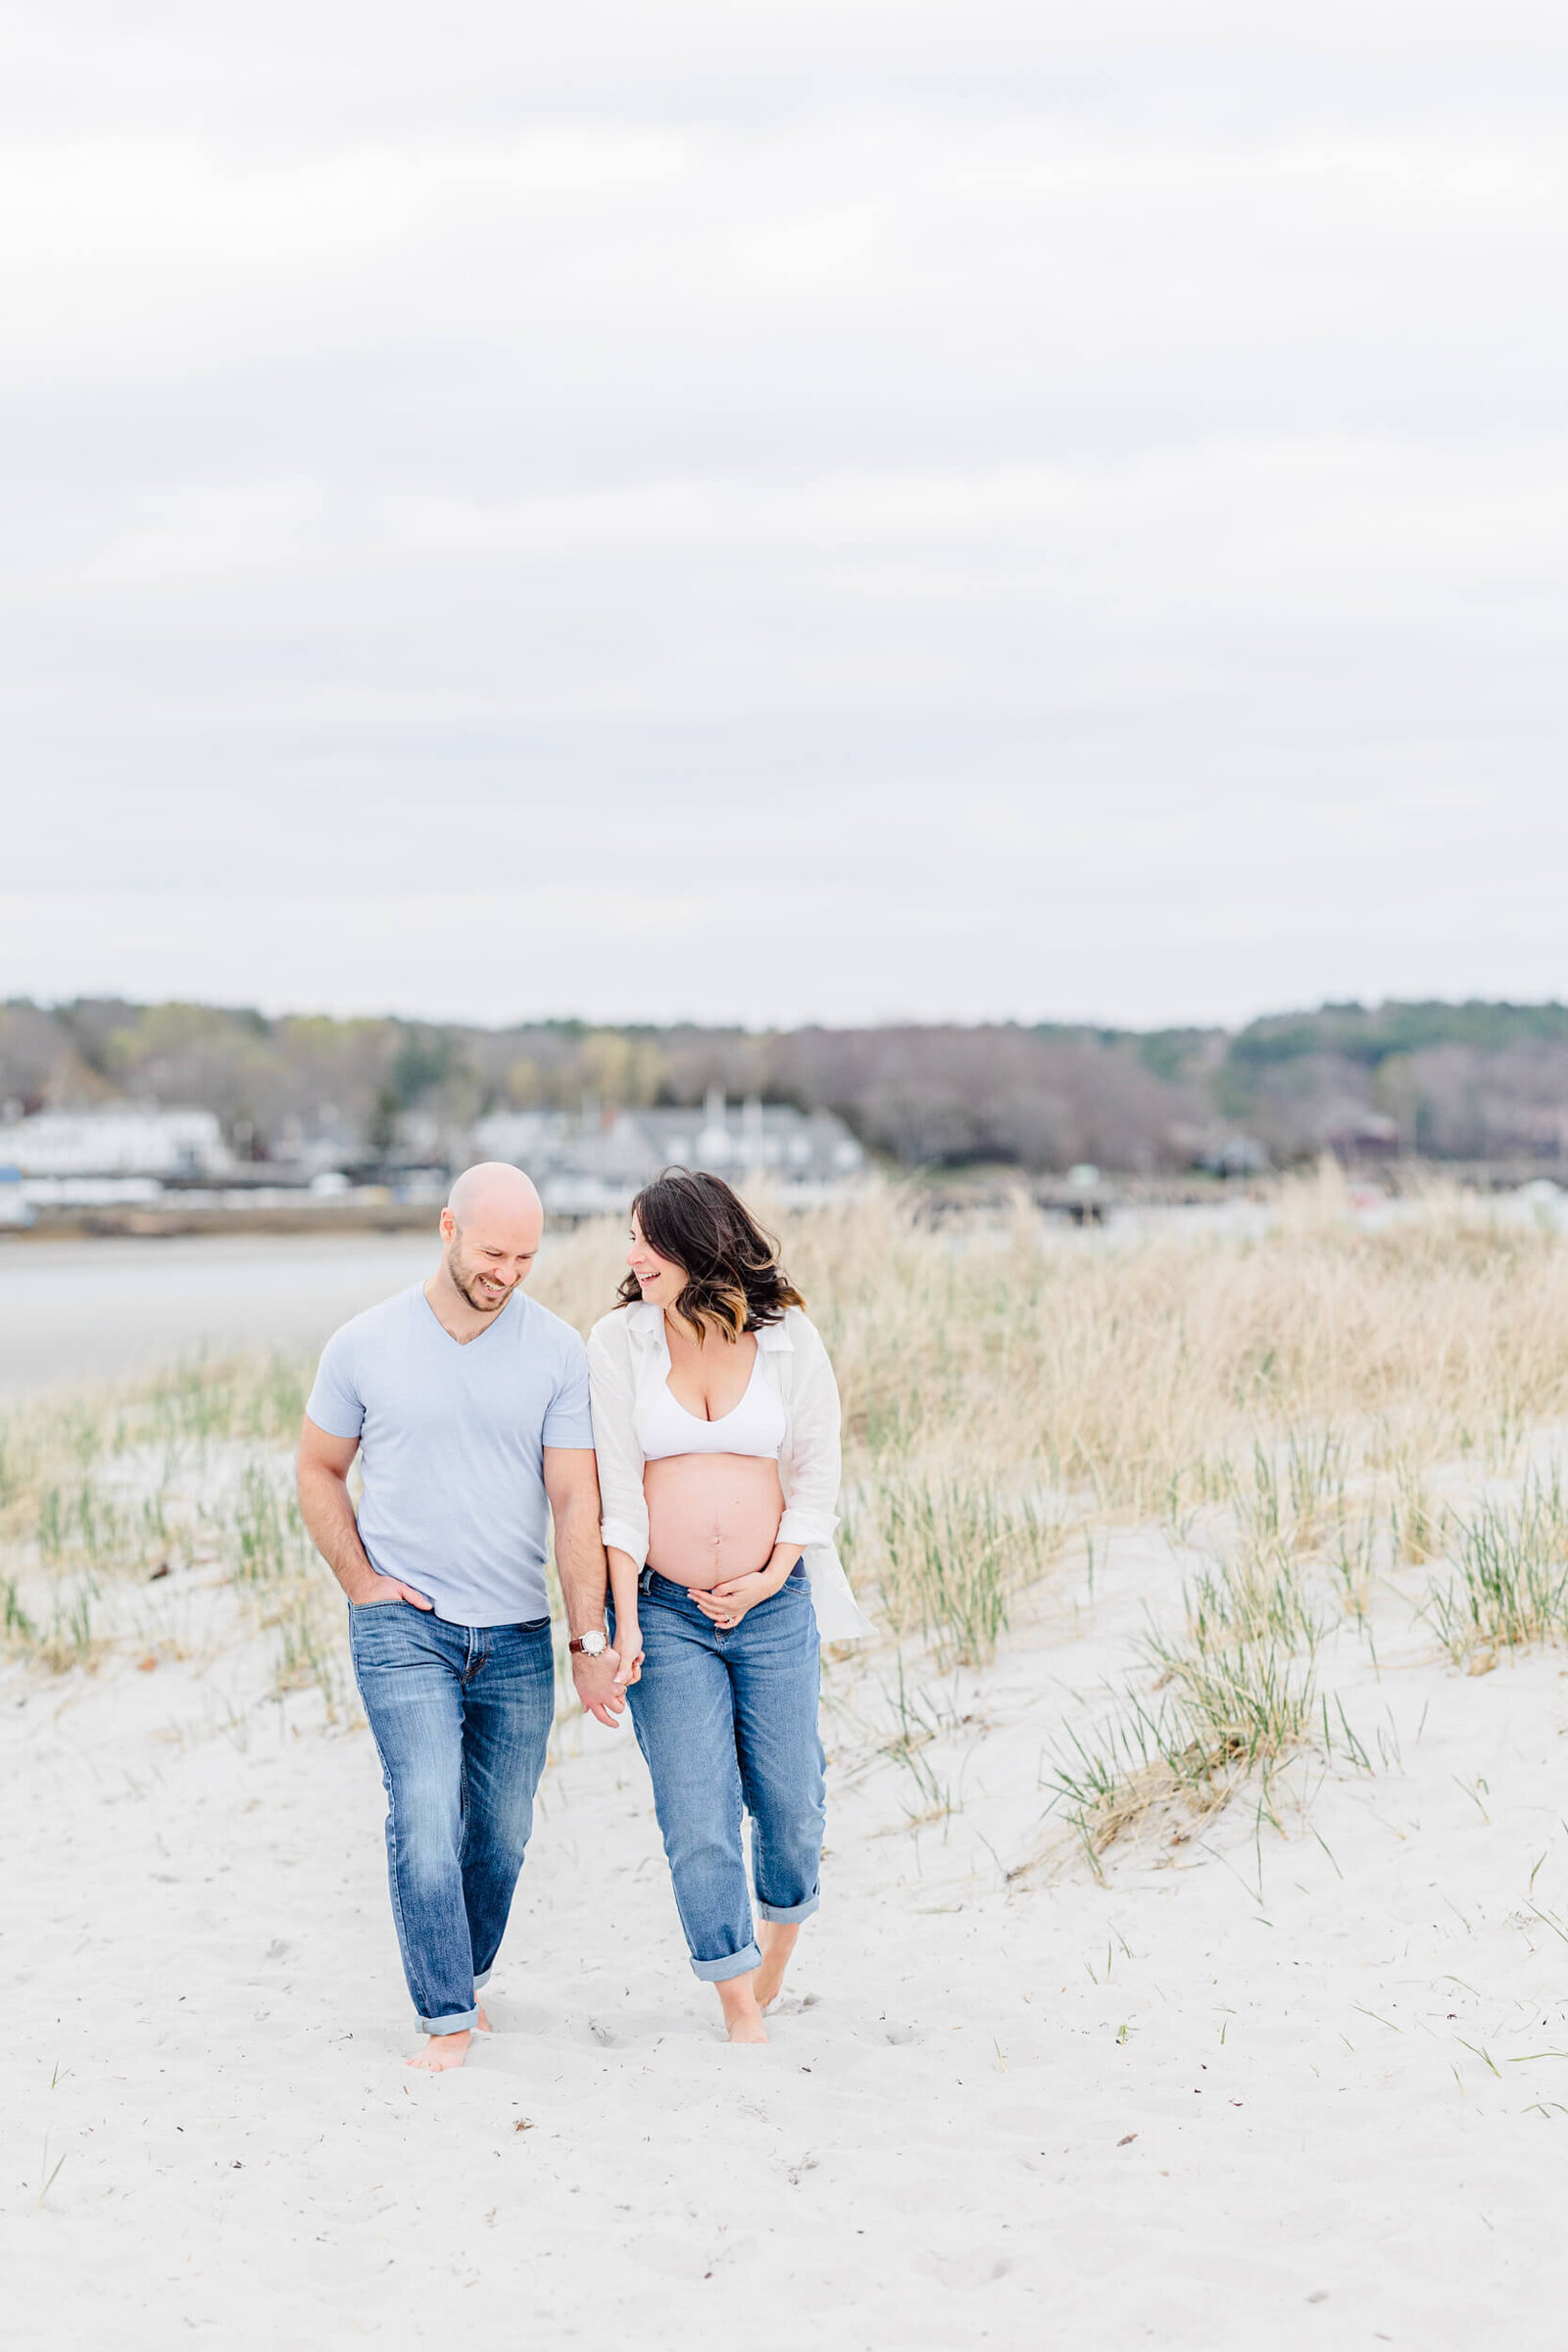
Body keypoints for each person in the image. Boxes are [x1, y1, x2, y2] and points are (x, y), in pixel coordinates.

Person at [296, 1162, 624, 2072]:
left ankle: (462, 1972)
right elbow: (317, 1469)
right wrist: (360, 1580)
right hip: (405, 1626)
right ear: (447, 1227)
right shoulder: (363, 1345)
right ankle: (445, 2017)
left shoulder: (559, 1352)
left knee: (504, 1832)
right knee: (427, 1810)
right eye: (492, 1251)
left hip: (517, 1634)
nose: (508, 1272)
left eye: (525, 1256)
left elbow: (573, 1503)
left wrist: (587, 1637)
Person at [587, 1169, 870, 2045]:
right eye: (631, 1239)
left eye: (648, 1239)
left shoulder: (788, 1341)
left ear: (701, 1243)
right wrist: (622, 1623)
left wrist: (771, 1570)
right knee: (697, 1812)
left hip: (774, 1603)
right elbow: (618, 1495)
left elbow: (817, 1474)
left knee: (792, 1802)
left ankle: (779, 1940)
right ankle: (737, 2001)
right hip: (664, 1611)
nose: (633, 1257)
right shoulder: (617, 1342)